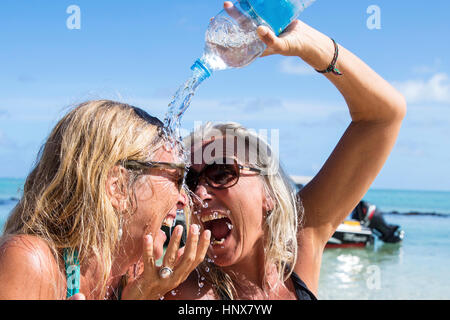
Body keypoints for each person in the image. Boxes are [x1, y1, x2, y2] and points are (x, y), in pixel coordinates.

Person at [165, 2, 407, 300]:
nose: (198, 194)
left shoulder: (301, 242)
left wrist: (307, 44)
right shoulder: (187, 293)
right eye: (189, 181)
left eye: (221, 172)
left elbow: (384, 115)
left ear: (267, 193)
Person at [0, 100, 211, 300]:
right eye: (176, 178)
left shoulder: (132, 275)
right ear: (118, 187)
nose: (185, 198)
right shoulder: (32, 262)